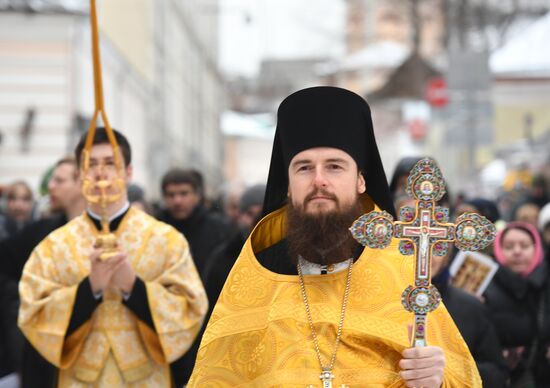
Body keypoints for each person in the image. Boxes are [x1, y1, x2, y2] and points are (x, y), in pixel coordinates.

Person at [188, 86, 481, 387]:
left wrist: (437, 381)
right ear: (288, 185)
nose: (319, 180)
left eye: (334, 166)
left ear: (360, 181)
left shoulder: (399, 271)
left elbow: (463, 380)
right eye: (304, 168)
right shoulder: (256, 274)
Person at [18, 128, 208, 387]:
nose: (100, 173)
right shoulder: (53, 247)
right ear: (81, 175)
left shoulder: (166, 240)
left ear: (128, 172)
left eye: (110, 163)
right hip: (80, 380)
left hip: (146, 378)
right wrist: (90, 289)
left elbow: (190, 310)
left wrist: (134, 287)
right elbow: (33, 314)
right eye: (91, 165)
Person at [483, 221, 549, 386]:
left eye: (524, 245)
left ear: (536, 248)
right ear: (498, 250)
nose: (517, 251)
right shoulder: (483, 285)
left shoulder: (546, 284)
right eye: (509, 246)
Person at [157, 168, 232, 278]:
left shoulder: (219, 229)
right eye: (171, 195)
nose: (177, 201)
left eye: (184, 193)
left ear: (197, 196)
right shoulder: (156, 230)